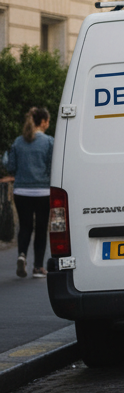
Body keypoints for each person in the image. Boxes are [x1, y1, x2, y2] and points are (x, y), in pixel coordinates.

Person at [1, 107, 55, 278]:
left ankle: (21, 255)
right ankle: (38, 267)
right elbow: (53, 166)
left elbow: (11, 167)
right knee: (40, 229)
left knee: (25, 226)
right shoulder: (49, 142)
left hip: (21, 191)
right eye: (48, 121)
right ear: (44, 122)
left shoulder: (18, 141)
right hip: (43, 192)